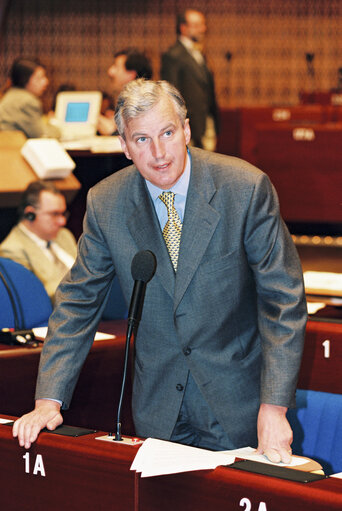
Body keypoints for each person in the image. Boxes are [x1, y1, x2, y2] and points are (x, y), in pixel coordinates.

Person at [13, 80, 307, 464]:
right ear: (124, 146)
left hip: (241, 406)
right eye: (141, 139)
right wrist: (48, 399)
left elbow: (282, 300)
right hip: (158, 411)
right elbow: (78, 302)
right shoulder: (106, 202)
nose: (159, 153)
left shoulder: (244, 188)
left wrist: (274, 407)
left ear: (186, 130)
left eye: (167, 133)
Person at [0, 181, 77, 302]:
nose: (62, 221)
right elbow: (36, 298)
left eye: (63, 214)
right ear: (30, 214)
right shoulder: (12, 250)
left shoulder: (64, 235)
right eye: (54, 214)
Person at [161, 9, 219, 151]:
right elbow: (171, 94)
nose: (203, 29)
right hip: (189, 128)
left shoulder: (199, 53)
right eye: (197, 25)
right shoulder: (173, 55)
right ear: (183, 28)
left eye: (203, 25)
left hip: (205, 124)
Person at [0, 57, 60, 139]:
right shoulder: (27, 101)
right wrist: (55, 123)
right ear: (25, 79)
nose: (46, 82)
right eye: (39, 78)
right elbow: (42, 135)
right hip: (14, 149)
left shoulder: (11, 95)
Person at [97, 48, 152, 136]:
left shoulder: (147, 103)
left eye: (116, 67)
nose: (110, 71)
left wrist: (112, 132)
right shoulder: (128, 101)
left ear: (131, 74)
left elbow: (143, 138)